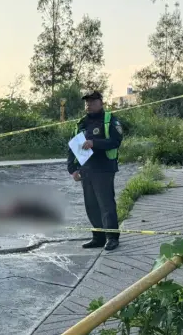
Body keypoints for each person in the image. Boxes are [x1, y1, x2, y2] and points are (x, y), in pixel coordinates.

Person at [67, 91, 123, 251]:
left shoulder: (110, 120)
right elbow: (72, 146)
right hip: (86, 170)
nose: (88, 105)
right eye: (86, 102)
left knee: (106, 204)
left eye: (92, 101)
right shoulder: (81, 123)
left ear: (101, 102)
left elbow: (115, 141)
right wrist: (72, 169)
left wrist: (94, 143)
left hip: (104, 168)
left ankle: (112, 238)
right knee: (91, 205)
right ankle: (98, 237)